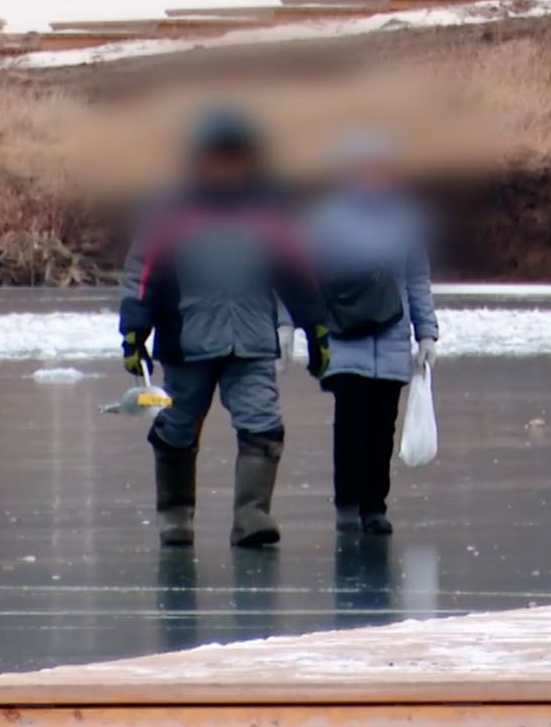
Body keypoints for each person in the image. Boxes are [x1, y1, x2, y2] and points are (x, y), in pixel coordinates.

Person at [119, 107, 330, 548]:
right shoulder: (172, 213)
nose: (227, 167)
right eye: (218, 158)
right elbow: (145, 274)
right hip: (188, 341)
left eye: (235, 158)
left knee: (262, 422)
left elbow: (296, 272)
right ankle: (176, 518)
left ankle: (252, 517)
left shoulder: (267, 212)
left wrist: (316, 327)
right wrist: (135, 332)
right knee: (177, 426)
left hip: (251, 341)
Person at [305, 132, 439, 535]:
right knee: (352, 422)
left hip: (393, 340)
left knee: (382, 428)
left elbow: (417, 278)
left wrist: (426, 333)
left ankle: (374, 506)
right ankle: (348, 503)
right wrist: (301, 328)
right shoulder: (328, 220)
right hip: (344, 339)